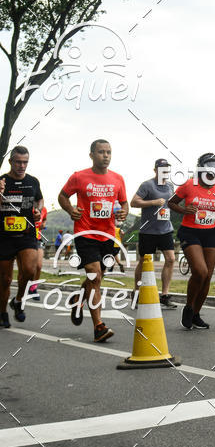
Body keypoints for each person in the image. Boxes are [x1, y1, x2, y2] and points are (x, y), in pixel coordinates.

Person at [58, 139, 128, 343]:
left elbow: (123, 203)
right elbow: (62, 196)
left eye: (108, 152)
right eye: (101, 152)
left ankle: (77, 300)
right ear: (91, 155)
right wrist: (70, 209)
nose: (105, 156)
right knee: (95, 276)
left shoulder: (118, 179)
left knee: (94, 279)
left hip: (107, 236)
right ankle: (99, 327)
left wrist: (123, 212)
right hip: (85, 234)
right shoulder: (79, 176)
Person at [168, 153, 215, 329]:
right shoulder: (189, 184)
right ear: (202, 168)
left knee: (207, 277)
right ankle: (188, 307)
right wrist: (184, 210)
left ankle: (196, 314)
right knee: (200, 271)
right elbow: (171, 203)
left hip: (210, 233)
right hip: (190, 232)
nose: (213, 173)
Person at [0, 146, 43, 326]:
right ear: (11, 162)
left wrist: (38, 211)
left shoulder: (33, 181)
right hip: (4, 236)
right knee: (5, 280)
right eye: (18, 162)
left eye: (25, 162)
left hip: (26, 234)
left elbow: (39, 199)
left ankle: (18, 300)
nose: (22, 166)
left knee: (29, 270)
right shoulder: (1, 181)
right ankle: (2, 313)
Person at [131, 159, 177, 309]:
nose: (165, 171)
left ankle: (164, 294)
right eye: (162, 168)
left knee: (170, 259)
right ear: (155, 170)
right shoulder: (147, 185)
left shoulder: (170, 186)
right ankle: (137, 292)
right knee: (144, 262)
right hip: (148, 230)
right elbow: (134, 202)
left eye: (167, 168)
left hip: (165, 229)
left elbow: (172, 203)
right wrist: (152, 202)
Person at [28, 203, 48, 301]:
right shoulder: (27, 207)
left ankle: (33, 288)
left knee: (39, 265)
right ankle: (23, 287)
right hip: (26, 238)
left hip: (38, 238)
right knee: (28, 268)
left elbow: (44, 219)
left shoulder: (43, 209)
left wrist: (43, 224)